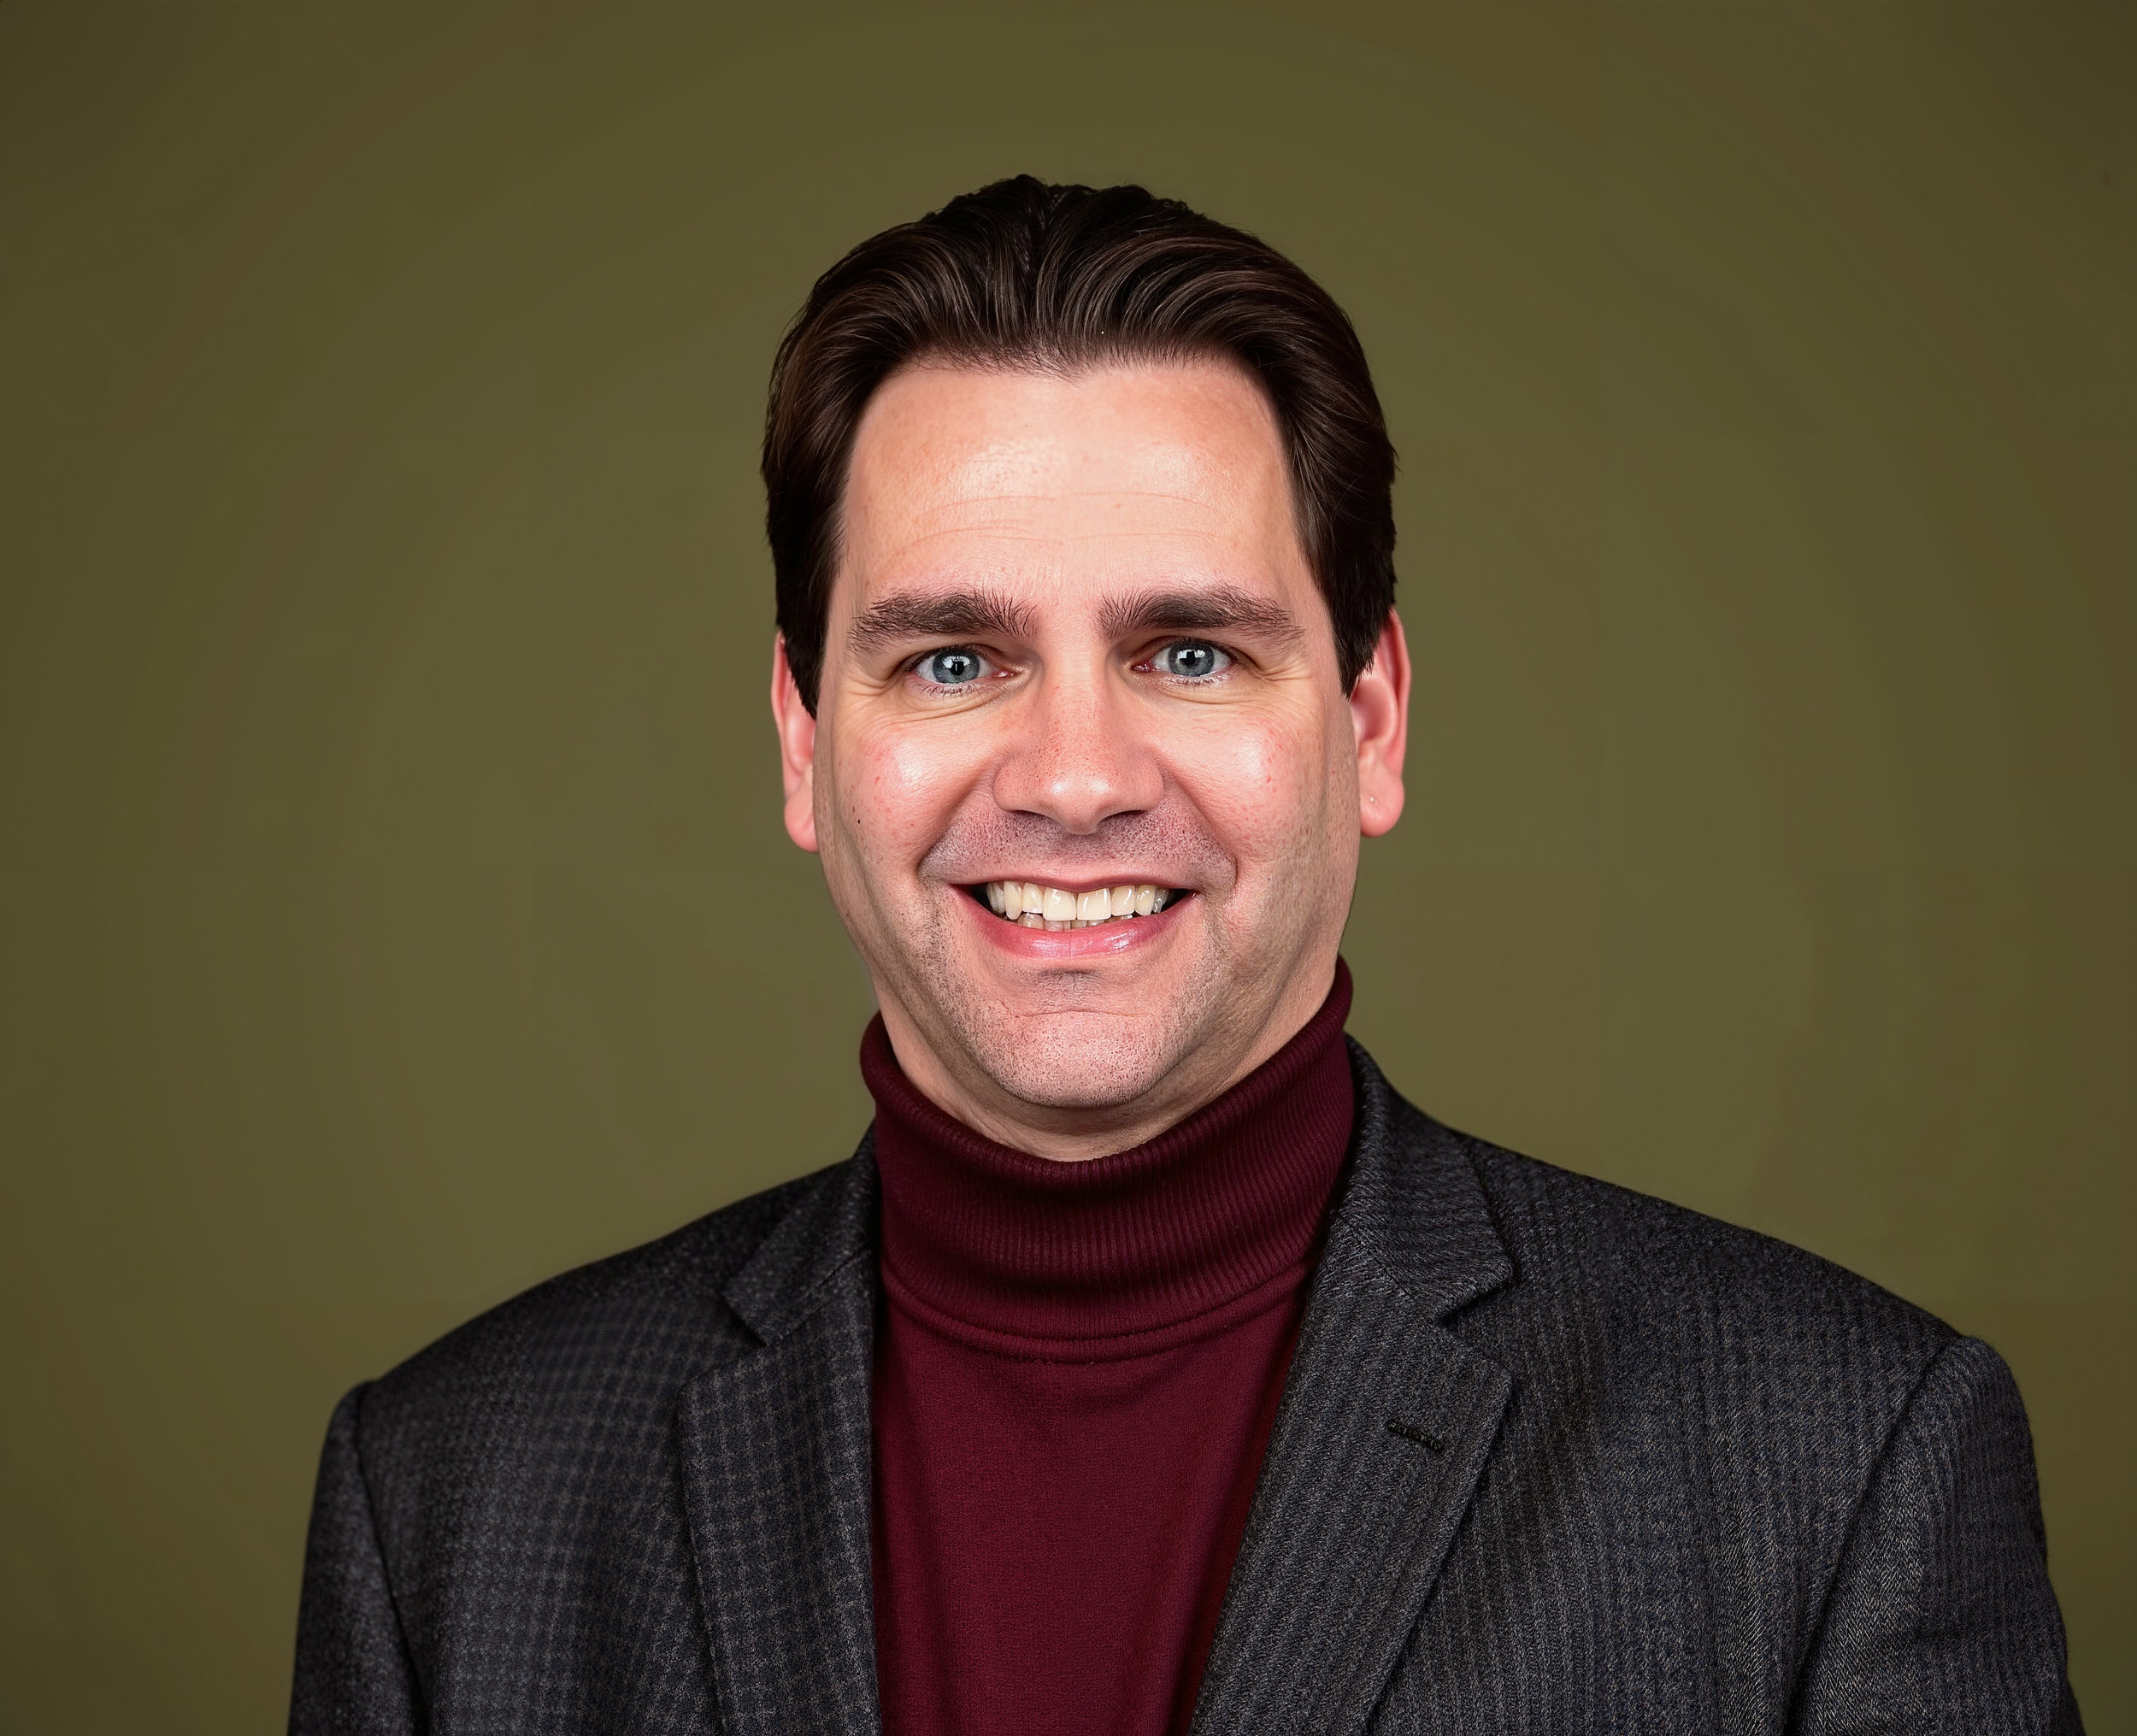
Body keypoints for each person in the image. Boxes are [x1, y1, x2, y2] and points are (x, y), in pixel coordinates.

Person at [290, 178, 2079, 1735]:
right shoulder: (451, 1498)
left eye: (1190, 653)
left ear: (1370, 720)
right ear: (800, 738)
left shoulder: (1838, 1468)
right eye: (952, 661)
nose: (1075, 779)